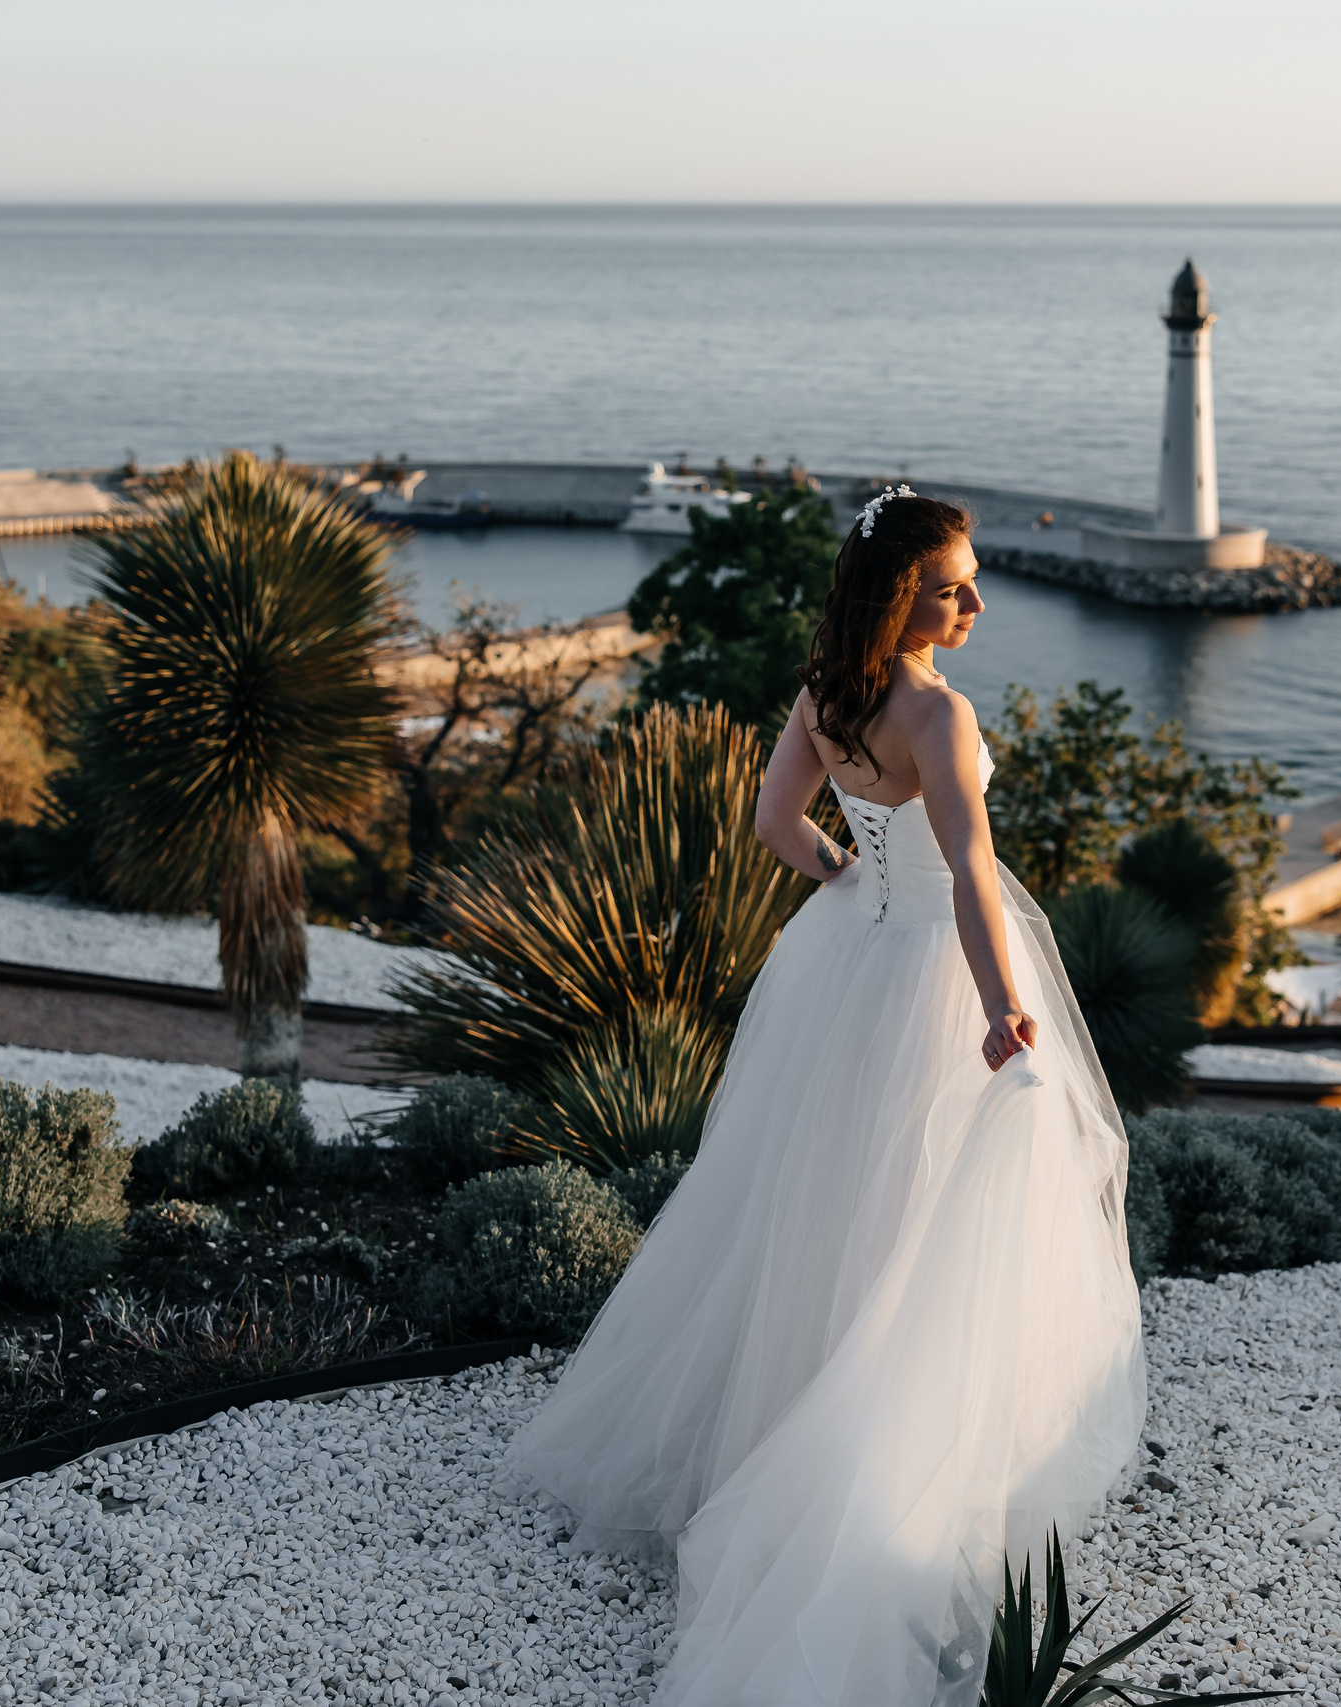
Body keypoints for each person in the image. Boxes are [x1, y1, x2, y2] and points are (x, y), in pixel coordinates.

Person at [505, 487, 1149, 1706]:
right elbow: (971, 872)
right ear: (899, 596)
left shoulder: (827, 695)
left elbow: (773, 824)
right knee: (919, 1228)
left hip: (846, 959)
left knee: (809, 1209)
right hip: (931, 975)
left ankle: (775, 1440)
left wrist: (848, 873)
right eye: (952, 585)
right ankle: (878, 1478)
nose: (975, 600)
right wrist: (1002, 1009)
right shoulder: (936, 713)